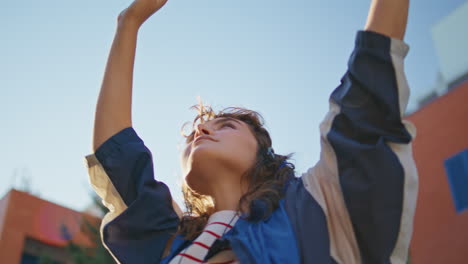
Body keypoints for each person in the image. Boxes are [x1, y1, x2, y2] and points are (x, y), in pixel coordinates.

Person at [83, 0, 418, 263]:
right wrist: (128, 23)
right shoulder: (170, 240)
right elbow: (118, 154)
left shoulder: (317, 205)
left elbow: (366, 96)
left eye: (226, 125)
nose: (200, 129)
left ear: (264, 152)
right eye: (192, 134)